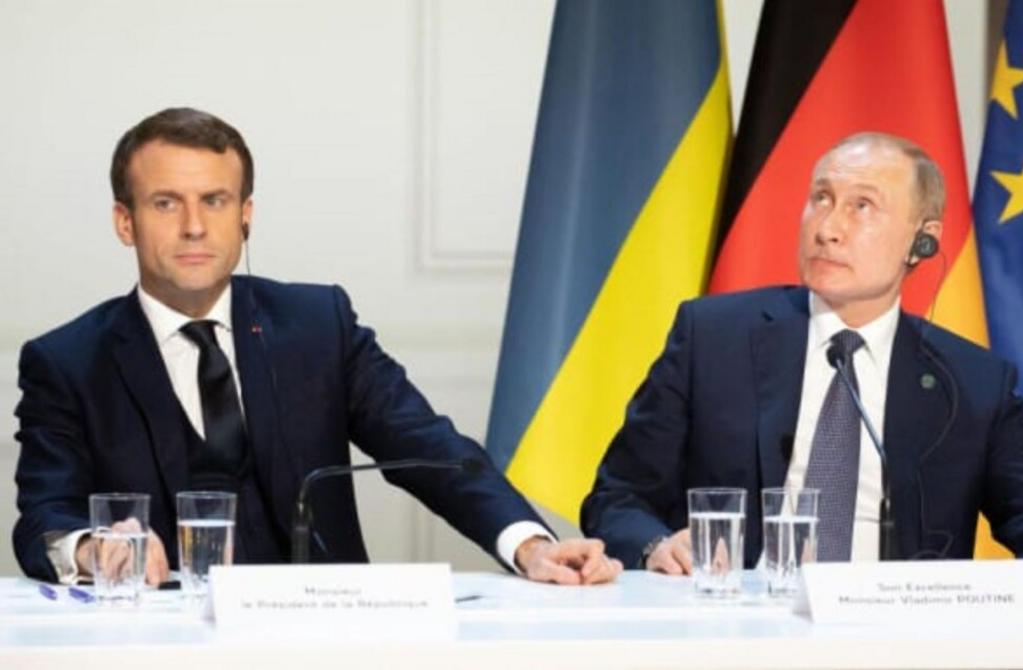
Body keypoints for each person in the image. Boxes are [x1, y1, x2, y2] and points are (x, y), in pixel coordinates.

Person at [13, 107, 622, 587]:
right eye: (166, 203)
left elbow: (429, 449)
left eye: (215, 201)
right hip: (158, 647)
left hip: (326, 639)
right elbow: (44, 515)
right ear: (125, 222)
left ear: (246, 214)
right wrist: (93, 549)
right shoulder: (67, 362)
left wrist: (529, 545)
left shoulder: (318, 324)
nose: (194, 226)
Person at [581, 132, 1023, 590]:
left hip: (899, 638)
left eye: (862, 206)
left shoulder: (972, 382)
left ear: (922, 240)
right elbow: (616, 497)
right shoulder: (713, 338)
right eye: (821, 198)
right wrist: (656, 545)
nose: (828, 228)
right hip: (738, 633)